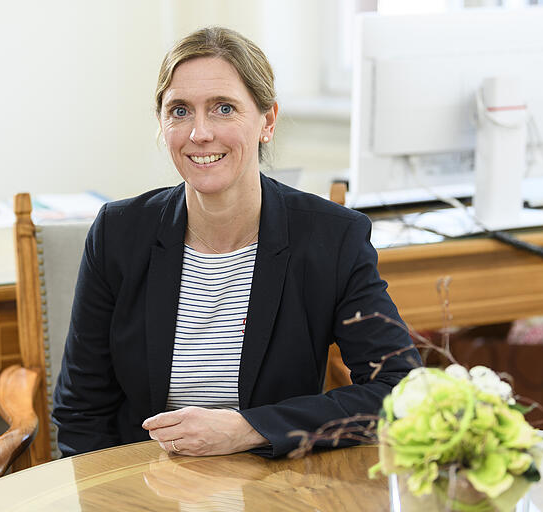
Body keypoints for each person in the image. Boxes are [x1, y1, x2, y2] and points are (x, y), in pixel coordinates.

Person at [52, 26, 419, 459]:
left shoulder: (331, 237)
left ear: (268, 121)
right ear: (162, 124)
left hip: (276, 486)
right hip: (144, 486)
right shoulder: (119, 233)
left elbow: (401, 393)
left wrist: (252, 429)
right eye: (180, 111)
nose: (199, 133)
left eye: (224, 108)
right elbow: (80, 412)